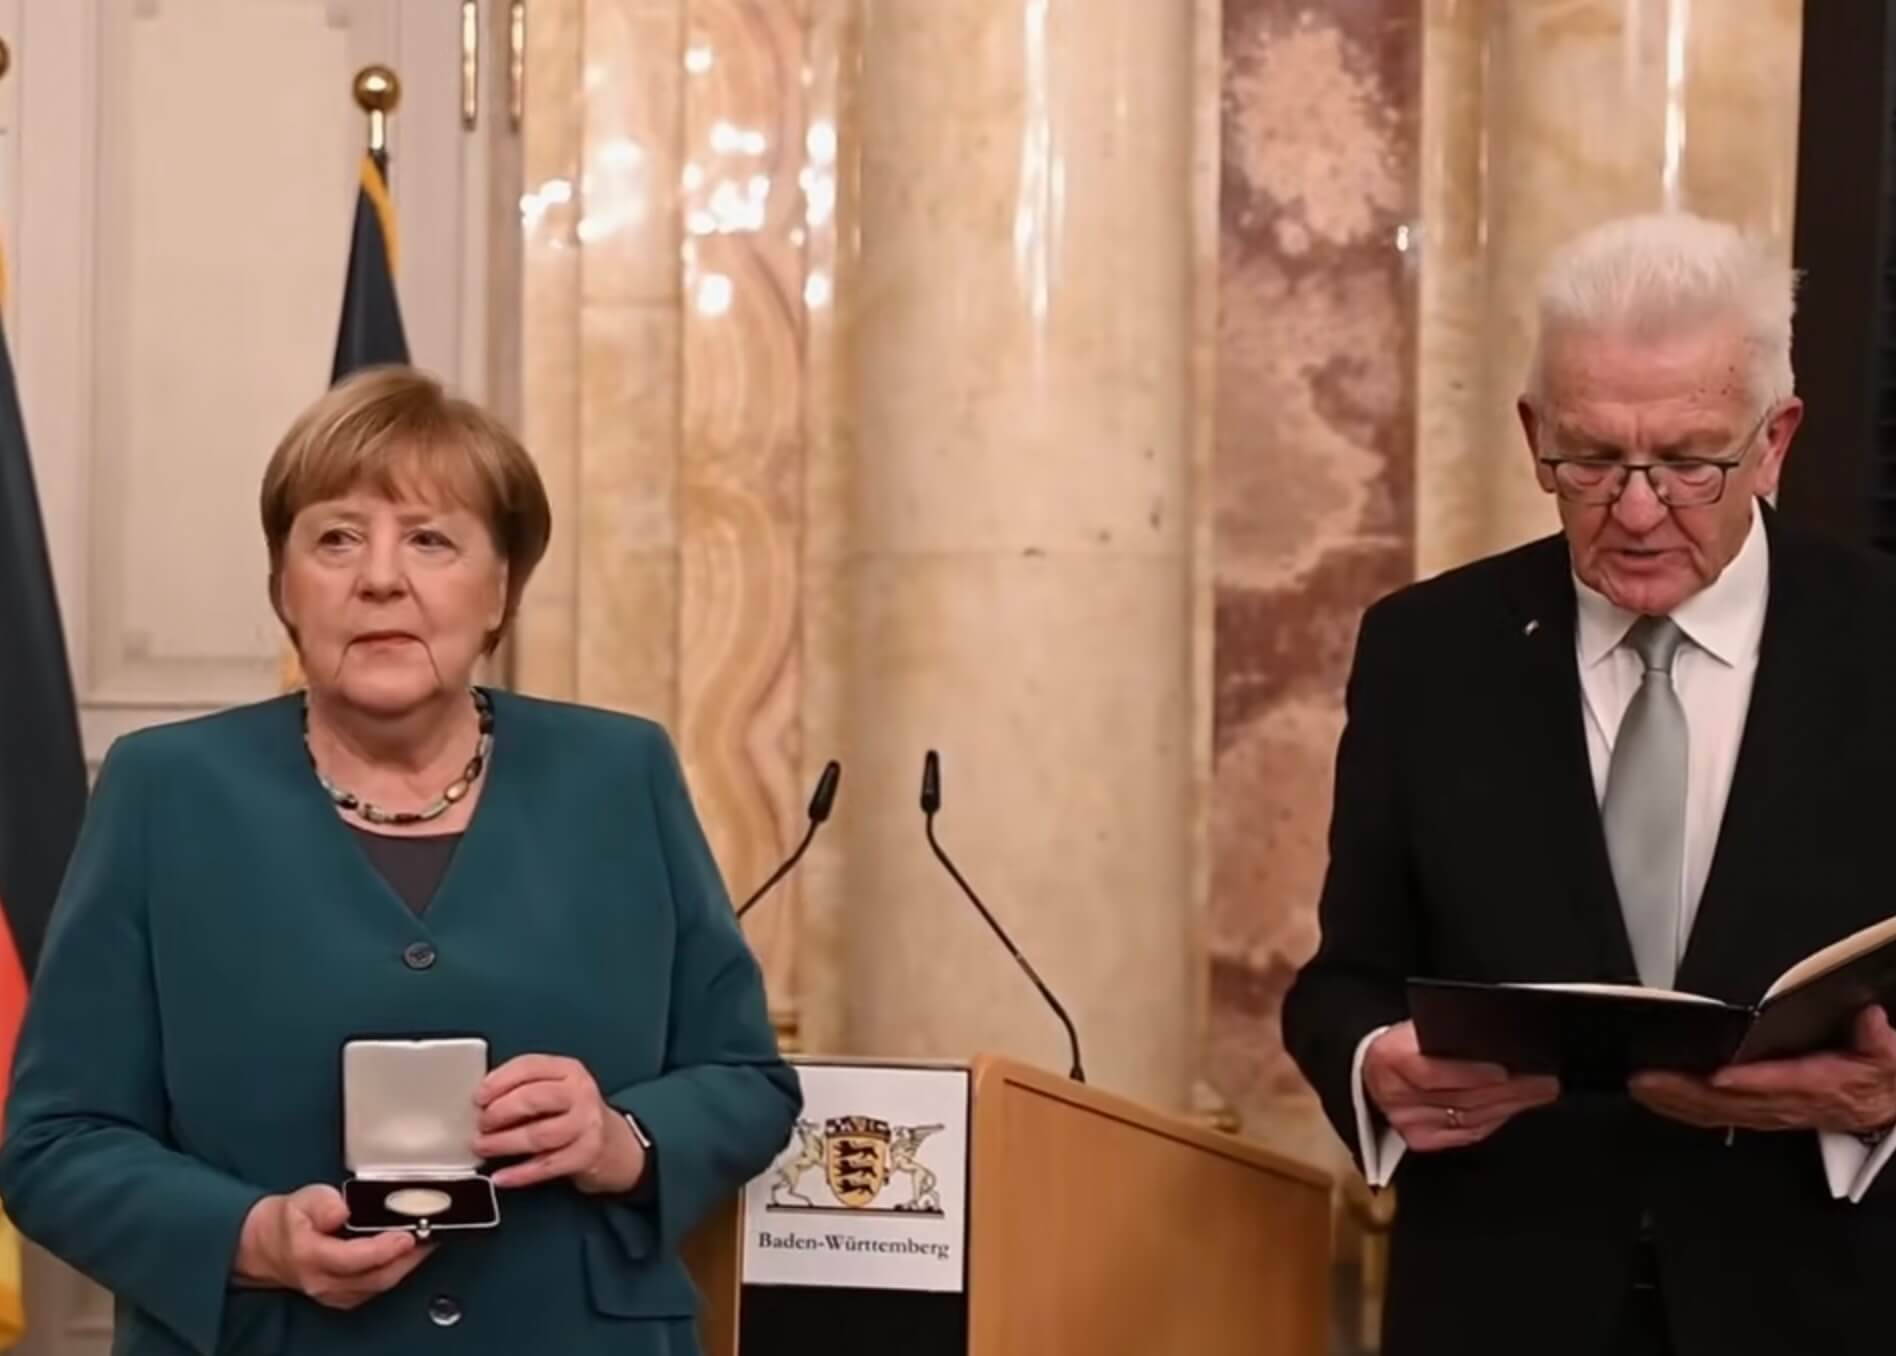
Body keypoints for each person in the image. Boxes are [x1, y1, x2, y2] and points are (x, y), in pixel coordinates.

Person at [0, 368, 801, 1355]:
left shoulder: (620, 774)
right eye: (337, 539)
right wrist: (252, 1239)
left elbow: (746, 1081)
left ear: (500, 587)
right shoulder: (163, 791)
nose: (380, 577)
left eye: (430, 539)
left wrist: (619, 1139)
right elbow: (55, 1144)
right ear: (284, 587)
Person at [1283, 213, 1896, 1356]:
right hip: (1500, 1297)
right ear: (1534, 436)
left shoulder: (1880, 640)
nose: (1639, 509)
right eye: (1594, 460)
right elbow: (1343, 982)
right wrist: (1377, 1071)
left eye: (1690, 462)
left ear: (1775, 440)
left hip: (1820, 1299)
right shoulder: (1427, 651)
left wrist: (1880, 1099)